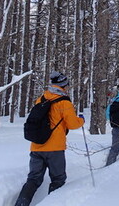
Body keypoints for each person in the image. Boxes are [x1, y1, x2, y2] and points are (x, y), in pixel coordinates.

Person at [15, 71, 84, 206]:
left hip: (37, 145)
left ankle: (21, 203)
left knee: (33, 179)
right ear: (64, 85)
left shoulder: (41, 98)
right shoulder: (65, 102)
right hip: (55, 148)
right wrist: (81, 120)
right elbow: (72, 124)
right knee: (58, 179)